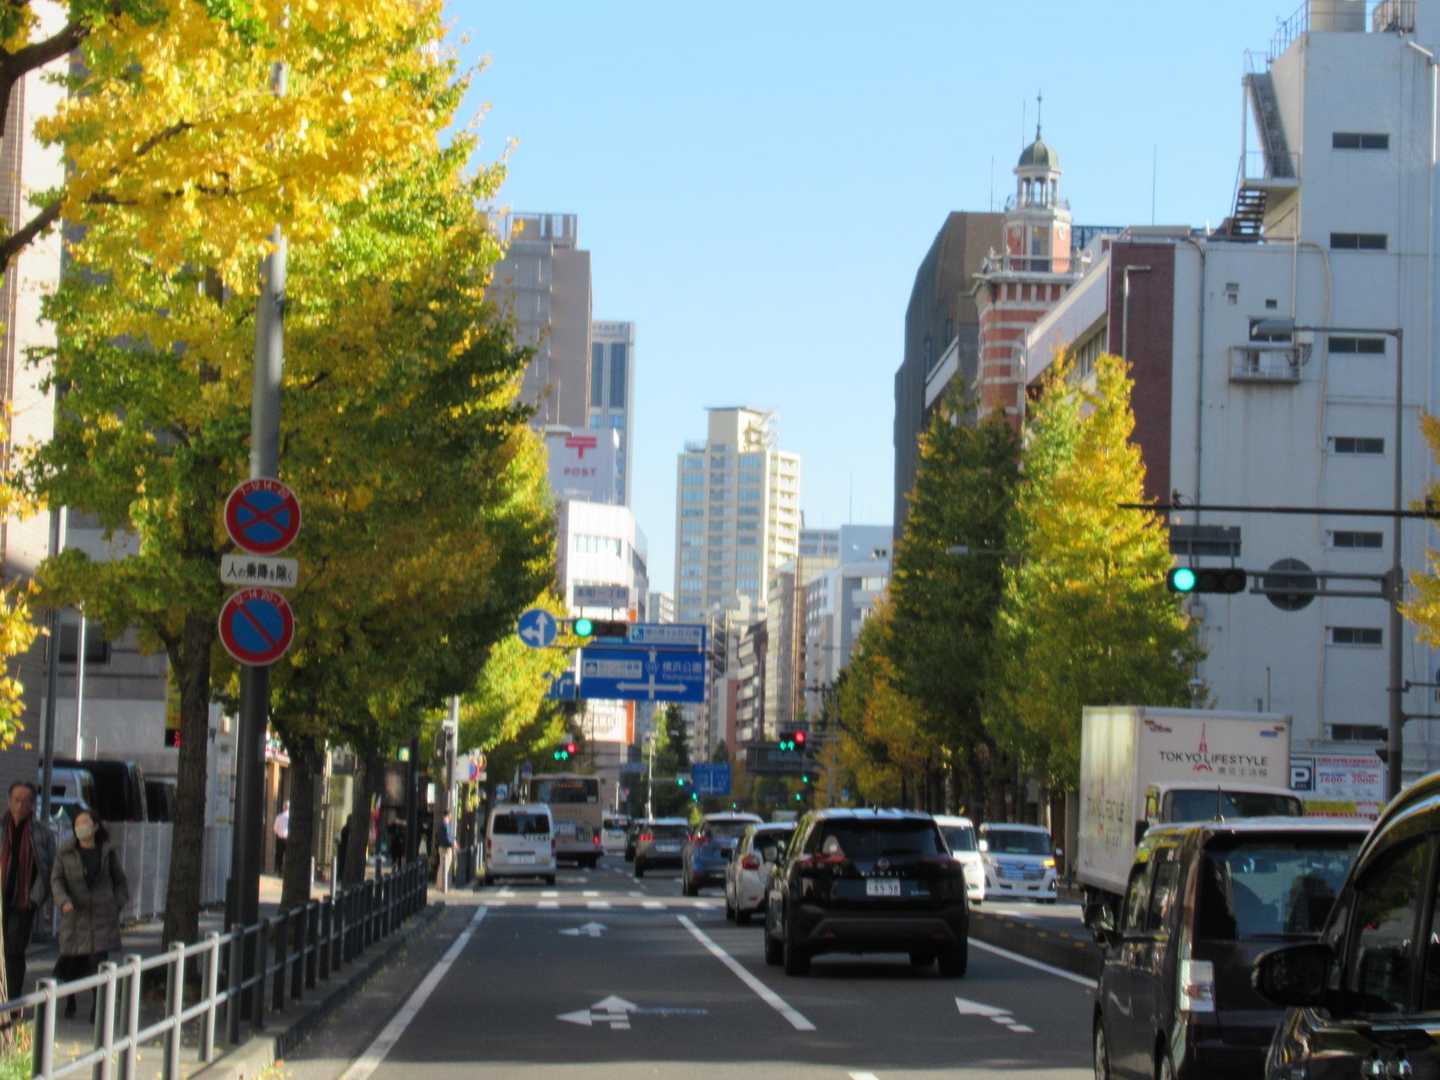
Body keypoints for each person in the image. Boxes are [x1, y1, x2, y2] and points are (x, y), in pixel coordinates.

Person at [51, 810, 129, 1019]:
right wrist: (64, 900)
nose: (81, 828)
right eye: (77, 824)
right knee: (72, 962)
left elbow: (120, 881)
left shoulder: (106, 852)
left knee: (98, 963)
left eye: (85, 823)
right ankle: (71, 1001)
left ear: (95, 826)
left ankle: (98, 1006)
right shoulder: (65, 853)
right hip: (75, 918)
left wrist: (116, 904)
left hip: (101, 918)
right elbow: (56, 880)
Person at [1, 780, 55, 999]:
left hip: (23, 902)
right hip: (2, 899)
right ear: (9, 801)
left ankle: (12, 1002)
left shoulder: (42, 833)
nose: (20, 805)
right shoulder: (2, 828)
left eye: (25, 801)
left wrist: (34, 900)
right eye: (16, 800)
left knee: (14, 953)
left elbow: (48, 869)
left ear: (33, 804)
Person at [437, 811, 456, 894]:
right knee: (445, 866)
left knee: (442, 866)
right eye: (450, 816)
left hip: (442, 847)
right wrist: (453, 843)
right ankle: (442, 886)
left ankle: (440, 885)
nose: (451, 817)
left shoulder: (442, 824)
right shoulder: (445, 825)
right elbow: (447, 837)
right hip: (446, 848)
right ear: (448, 816)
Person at [273, 801, 289, 875]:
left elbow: (275, 829)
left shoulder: (279, 817)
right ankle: (287, 871)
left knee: (279, 855)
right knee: (288, 855)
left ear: (283, 807)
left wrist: (278, 833)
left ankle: (279, 871)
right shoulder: (290, 817)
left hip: (280, 838)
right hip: (288, 839)